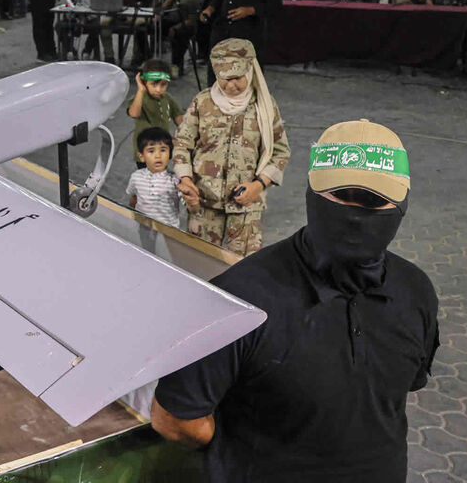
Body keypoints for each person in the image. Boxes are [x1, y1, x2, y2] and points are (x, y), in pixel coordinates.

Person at [153, 119, 438, 483]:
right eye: (340, 195)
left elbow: (395, 393)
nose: (354, 213)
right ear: (311, 194)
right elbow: (175, 420)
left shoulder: (416, 292)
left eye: (371, 200)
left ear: (401, 206)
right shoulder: (239, 298)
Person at [175, 39, 290, 256]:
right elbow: (182, 144)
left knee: (243, 268)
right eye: (223, 78)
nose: (230, 85)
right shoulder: (202, 103)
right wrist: (186, 179)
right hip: (204, 206)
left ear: (250, 71)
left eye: (237, 78)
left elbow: (280, 151)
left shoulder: (264, 106)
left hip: (246, 209)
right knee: (200, 265)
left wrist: (258, 186)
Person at [126, 59, 183, 165]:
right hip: (145, 151)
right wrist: (141, 90)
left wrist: (182, 137)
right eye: (154, 85)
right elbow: (134, 113)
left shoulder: (167, 98)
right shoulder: (140, 98)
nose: (158, 89)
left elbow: (179, 119)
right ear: (144, 82)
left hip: (163, 150)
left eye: (163, 85)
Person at [126, 127, 184, 230]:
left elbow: (189, 203)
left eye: (163, 150)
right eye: (151, 151)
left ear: (170, 153)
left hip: (169, 232)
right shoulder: (136, 177)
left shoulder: (175, 181)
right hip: (143, 227)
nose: (158, 156)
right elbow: (133, 199)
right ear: (141, 156)